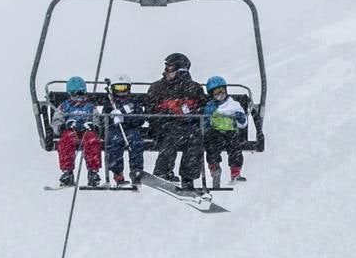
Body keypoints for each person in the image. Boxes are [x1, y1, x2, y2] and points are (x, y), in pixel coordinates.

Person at [145, 53, 209, 189]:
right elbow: (149, 112)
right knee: (173, 134)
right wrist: (167, 114)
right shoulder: (157, 88)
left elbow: (203, 108)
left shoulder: (194, 88)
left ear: (180, 70)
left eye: (170, 68)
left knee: (195, 137)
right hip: (163, 127)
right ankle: (163, 172)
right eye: (166, 67)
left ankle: (188, 178)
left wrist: (192, 115)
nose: (166, 71)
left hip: (188, 127)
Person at [53, 76, 105, 187]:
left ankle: (93, 172)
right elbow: (57, 120)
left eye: (81, 93)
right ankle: (67, 172)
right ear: (69, 94)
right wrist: (63, 126)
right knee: (66, 140)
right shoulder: (64, 106)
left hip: (86, 132)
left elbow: (97, 120)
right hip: (71, 131)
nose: (78, 97)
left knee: (92, 140)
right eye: (74, 94)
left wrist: (93, 126)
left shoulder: (90, 107)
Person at [203, 77, 250, 184]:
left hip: (230, 132)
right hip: (215, 133)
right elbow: (205, 121)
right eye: (217, 93)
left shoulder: (233, 105)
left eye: (222, 91)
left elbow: (242, 125)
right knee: (211, 145)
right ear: (211, 95)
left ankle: (235, 171)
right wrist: (206, 126)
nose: (220, 94)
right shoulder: (210, 107)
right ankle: (214, 168)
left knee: (235, 146)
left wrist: (241, 119)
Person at [103, 76, 148, 187]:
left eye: (124, 88)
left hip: (131, 130)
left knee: (136, 142)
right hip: (115, 130)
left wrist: (126, 118)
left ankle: (136, 171)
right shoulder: (110, 103)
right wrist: (112, 118)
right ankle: (118, 173)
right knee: (114, 144)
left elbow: (140, 119)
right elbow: (103, 121)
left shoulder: (133, 102)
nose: (121, 91)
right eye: (118, 88)